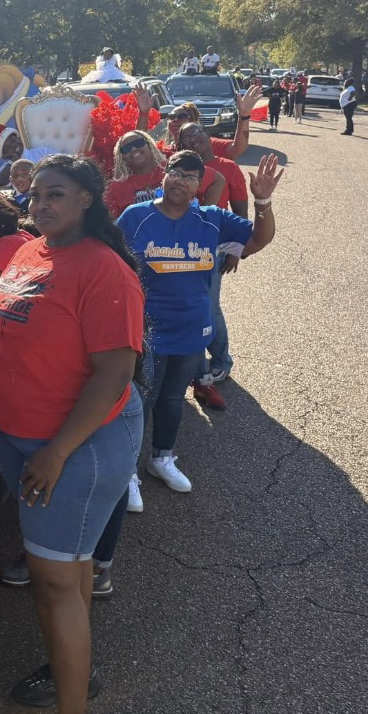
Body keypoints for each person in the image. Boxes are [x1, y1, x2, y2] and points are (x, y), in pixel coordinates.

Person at [0, 154, 145, 710]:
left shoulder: (102, 269)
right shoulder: (30, 250)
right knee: (66, 574)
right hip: (24, 435)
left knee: (55, 584)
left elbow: (115, 372)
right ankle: (70, 670)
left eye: (57, 194)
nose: (42, 204)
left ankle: (72, 700)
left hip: (75, 445)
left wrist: (56, 452)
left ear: (86, 200)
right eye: (37, 195)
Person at [117, 150, 281, 494]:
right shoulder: (136, 217)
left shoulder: (211, 219)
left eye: (192, 177)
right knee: (140, 401)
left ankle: (161, 459)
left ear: (199, 186)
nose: (182, 181)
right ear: (164, 174)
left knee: (173, 399)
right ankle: (126, 471)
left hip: (192, 328)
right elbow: (111, 265)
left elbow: (259, 239)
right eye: (177, 172)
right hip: (146, 331)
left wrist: (262, 200)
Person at [176, 124, 249, 407]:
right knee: (192, 304)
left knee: (208, 304)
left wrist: (235, 251)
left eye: (198, 133)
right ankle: (195, 364)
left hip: (215, 248)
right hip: (180, 248)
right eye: (186, 136)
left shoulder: (227, 168)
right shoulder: (179, 166)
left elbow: (241, 212)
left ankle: (221, 360)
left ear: (209, 137)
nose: (193, 138)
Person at [103, 131, 225, 217]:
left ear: (150, 145)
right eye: (126, 148)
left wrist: (205, 214)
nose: (134, 149)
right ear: (121, 157)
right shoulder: (116, 188)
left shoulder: (176, 167)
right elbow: (113, 224)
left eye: (139, 143)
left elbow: (217, 180)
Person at [158, 83, 261, 160]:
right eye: (171, 116)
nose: (175, 120)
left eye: (182, 116)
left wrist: (244, 116)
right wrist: (144, 114)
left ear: (194, 121)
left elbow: (238, 148)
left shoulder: (208, 144)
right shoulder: (164, 151)